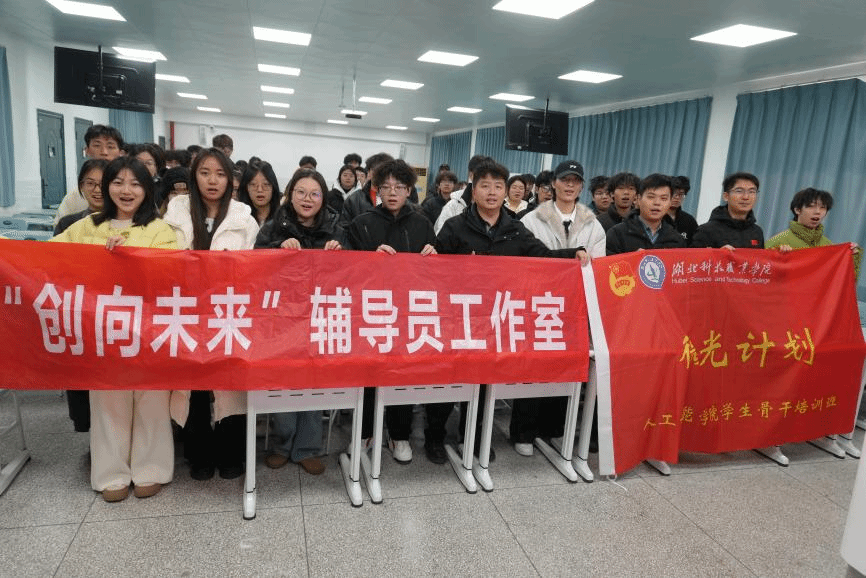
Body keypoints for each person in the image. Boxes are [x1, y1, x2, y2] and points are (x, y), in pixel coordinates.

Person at [434, 159, 586, 460]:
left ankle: (472, 437)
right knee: (449, 379)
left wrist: (573, 254)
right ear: (473, 190)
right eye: (485, 186)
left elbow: (542, 257)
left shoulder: (515, 229)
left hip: (495, 319)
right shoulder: (455, 227)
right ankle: (435, 437)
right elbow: (434, 268)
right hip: (459, 318)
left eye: (498, 186)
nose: (492, 192)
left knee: (483, 381)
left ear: (506, 192)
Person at [51, 156, 177, 502]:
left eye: (135, 183)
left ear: (147, 189)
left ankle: (151, 469)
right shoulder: (85, 227)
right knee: (107, 402)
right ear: (107, 187)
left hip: (148, 331)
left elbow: (171, 274)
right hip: (101, 330)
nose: (126, 190)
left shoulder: (161, 229)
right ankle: (111, 474)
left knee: (151, 401)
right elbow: (46, 259)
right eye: (118, 182)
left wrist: (132, 257)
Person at [163, 148, 260, 481]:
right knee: (195, 389)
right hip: (186, 311)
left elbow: (254, 267)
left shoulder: (244, 218)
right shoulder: (175, 213)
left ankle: (231, 453)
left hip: (226, 311)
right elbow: (161, 258)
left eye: (220, 174)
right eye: (205, 173)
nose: (212, 180)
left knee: (229, 386)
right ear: (194, 176)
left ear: (230, 180)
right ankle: (199, 455)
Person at [255, 169, 345, 475]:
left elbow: (350, 272)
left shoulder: (336, 228)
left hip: (320, 316)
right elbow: (254, 263)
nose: (308, 199)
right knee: (285, 381)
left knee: (314, 382)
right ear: (290, 194)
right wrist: (277, 251)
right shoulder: (273, 227)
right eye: (301, 192)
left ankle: (307, 447)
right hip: (282, 317)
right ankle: (282, 444)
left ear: (323, 198)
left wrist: (339, 253)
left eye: (315, 193)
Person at [347, 159, 437, 464]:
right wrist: (369, 258)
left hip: (408, 312)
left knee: (403, 374)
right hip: (371, 312)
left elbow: (437, 271)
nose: (392, 192)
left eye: (399, 187)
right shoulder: (362, 222)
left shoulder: (422, 223)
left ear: (409, 190)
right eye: (385, 187)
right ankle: (365, 432)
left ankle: (399, 434)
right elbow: (347, 267)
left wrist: (434, 254)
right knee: (369, 374)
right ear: (377, 190)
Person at [516, 160, 603, 455]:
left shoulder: (593, 223)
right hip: (538, 304)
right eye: (565, 180)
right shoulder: (532, 219)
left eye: (575, 181)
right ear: (553, 183)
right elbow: (525, 261)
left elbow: (598, 266)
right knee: (532, 368)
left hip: (574, 308)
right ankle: (524, 432)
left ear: (581, 186)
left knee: (564, 368)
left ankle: (553, 429)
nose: (569, 185)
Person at [766, 187, 861, 277]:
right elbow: (762, 278)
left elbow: (843, 280)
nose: (817, 212)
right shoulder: (777, 242)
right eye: (811, 206)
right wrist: (777, 258)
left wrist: (852, 258)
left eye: (823, 207)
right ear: (797, 210)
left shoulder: (828, 246)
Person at [54, 124, 124, 225]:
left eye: (110, 147)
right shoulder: (75, 197)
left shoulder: (130, 192)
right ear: (87, 151)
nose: (104, 152)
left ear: (121, 153)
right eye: (97, 145)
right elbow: (60, 228)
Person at [606, 173, 687, 254]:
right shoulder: (617, 234)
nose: (657, 203)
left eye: (663, 198)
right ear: (638, 199)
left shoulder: (676, 239)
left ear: (670, 202)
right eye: (651, 197)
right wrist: (632, 259)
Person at [691, 172, 764, 250]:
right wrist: (718, 254)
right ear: (726, 196)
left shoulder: (757, 231)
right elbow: (693, 257)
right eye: (739, 191)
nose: (746, 197)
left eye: (752, 192)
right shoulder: (706, 231)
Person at [433, 154, 494, 234]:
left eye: (490, 175)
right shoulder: (453, 206)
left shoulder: (498, 206)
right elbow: (441, 235)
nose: (486, 179)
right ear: (471, 175)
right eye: (481, 174)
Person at [339, 152, 394, 228]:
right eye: (376, 171)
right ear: (369, 173)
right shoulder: (354, 199)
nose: (380, 175)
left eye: (385, 171)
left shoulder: (400, 199)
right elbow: (344, 227)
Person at [238, 160, 280, 225]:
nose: (259, 190)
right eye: (253, 184)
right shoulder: (238, 218)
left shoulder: (282, 219)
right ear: (246, 188)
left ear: (273, 187)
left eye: (265, 184)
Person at [668, 175, 699, 245]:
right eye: (673, 193)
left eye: (681, 194)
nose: (677, 197)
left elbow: (695, 245)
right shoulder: (657, 218)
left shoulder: (689, 220)